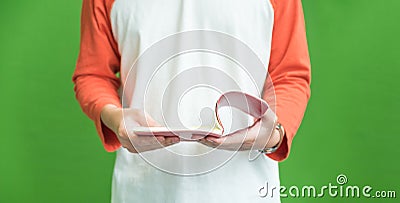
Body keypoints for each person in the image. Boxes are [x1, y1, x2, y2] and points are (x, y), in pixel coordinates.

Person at [73, 0, 311, 202]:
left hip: (246, 189)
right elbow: (93, 74)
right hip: (143, 191)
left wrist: (273, 134)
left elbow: (289, 75)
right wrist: (115, 117)